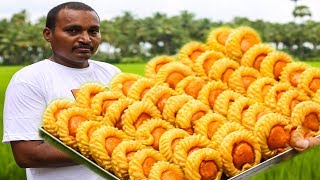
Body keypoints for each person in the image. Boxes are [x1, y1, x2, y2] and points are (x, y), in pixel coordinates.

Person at [2, 2, 120, 180]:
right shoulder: (29, 80)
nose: (86, 39)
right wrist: (107, 147)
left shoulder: (112, 73)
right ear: (48, 34)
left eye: (93, 31)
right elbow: (26, 154)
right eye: (73, 31)